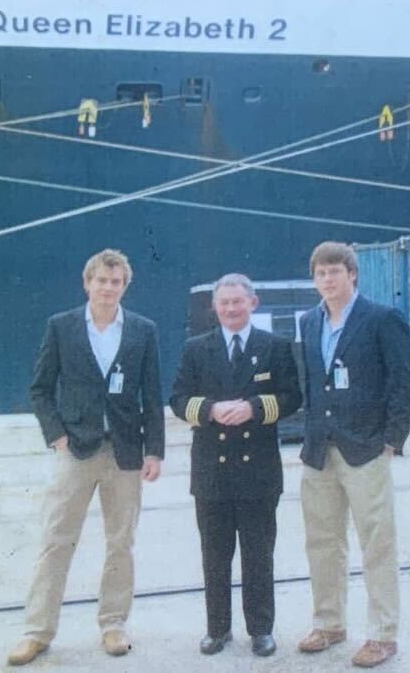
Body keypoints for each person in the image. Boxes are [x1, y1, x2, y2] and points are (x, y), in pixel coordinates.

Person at [7, 249, 164, 666]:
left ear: (124, 286)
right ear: (87, 283)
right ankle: (37, 631)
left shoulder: (143, 331)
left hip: (125, 453)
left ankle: (113, 624)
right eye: (101, 281)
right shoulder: (61, 327)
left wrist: (155, 451)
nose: (108, 288)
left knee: (120, 544)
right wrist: (56, 435)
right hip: (75, 451)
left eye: (116, 282)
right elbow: (40, 388)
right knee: (56, 541)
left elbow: (152, 395)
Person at [296, 241, 410, 668]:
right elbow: (313, 384)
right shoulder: (309, 322)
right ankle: (329, 623)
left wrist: (392, 440)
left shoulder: (382, 319)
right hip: (320, 451)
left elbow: (404, 381)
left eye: (334, 272)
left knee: (377, 543)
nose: (327, 280)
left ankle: (383, 634)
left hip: (365, 449)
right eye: (320, 274)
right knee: (322, 542)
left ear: (352, 275)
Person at [170, 273, 302, 657]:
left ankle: (261, 629)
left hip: (258, 470)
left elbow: (293, 396)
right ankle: (217, 629)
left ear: (253, 303)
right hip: (212, 469)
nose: (230, 308)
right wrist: (210, 410)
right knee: (215, 554)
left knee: (258, 554)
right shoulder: (196, 349)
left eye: (237, 302)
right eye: (224, 302)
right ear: (215, 307)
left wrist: (254, 408)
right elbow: (178, 398)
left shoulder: (274, 346)